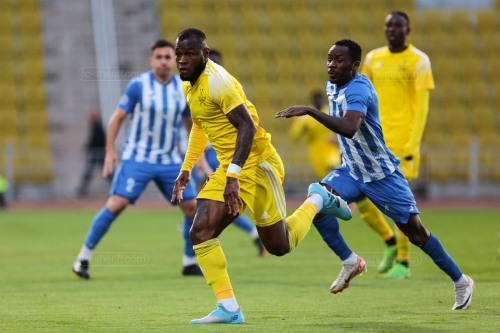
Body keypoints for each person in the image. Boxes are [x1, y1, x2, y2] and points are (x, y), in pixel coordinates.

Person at [276, 39, 474, 310]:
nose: (332, 65)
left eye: (339, 60)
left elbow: (348, 127)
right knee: (318, 202)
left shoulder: (359, 88)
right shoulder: (332, 84)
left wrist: (310, 111)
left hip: (381, 175)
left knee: (415, 233)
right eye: (329, 59)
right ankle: (350, 261)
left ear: (355, 65)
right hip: (351, 170)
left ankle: (462, 281)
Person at [172, 28, 351, 324]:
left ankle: (318, 199)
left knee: (201, 230)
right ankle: (317, 200)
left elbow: (248, 128)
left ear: (204, 55)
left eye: (189, 54)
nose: (182, 60)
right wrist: (187, 167)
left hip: (256, 163)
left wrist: (232, 175)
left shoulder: (218, 83)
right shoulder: (190, 84)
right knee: (277, 246)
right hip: (236, 167)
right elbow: (200, 124)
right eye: (179, 54)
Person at [72, 39, 201, 279]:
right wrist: (110, 150)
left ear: (174, 60)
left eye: (168, 57)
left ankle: (189, 261)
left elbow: (190, 123)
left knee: (191, 206)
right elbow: (117, 118)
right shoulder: (138, 86)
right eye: (159, 57)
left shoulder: (183, 88)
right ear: (151, 60)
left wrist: (197, 156)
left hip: (170, 160)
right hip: (137, 158)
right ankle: (83, 258)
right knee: (116, 204)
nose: (164, 61)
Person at [357, 11, 435, 279]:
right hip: (374, 139)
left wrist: (414, 144)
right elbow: (362, 93)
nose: (392, 29)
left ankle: (403, 262)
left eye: (398, 25)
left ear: (408, 29)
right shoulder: (373, 58)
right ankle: (389, 240)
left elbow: (422, 107)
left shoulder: (419, 61)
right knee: (360, 199)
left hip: (403, 142)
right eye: (388, 25)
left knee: (400, 204)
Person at [189, 48, 267, 257]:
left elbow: (246, 124)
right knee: (203, 205)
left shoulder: (220, 88)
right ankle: (194, 252)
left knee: (216, 205)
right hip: (216, 155)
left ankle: (253, 233)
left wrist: (203, 164)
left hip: (221, 157)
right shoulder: (198, 89)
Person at [289, 90, 341, 178]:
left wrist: (336, 139)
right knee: (324, 177)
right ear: (313, 101)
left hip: (331, 150)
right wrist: (303, 129)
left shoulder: (331, 112)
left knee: (333, 167)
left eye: (320, 100)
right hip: (316, 153)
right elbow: (294, 136)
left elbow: (341, 129)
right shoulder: (305, 117)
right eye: (317, 100)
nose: (319, 102)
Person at [76, 107, 109, 198]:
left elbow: (95, 139)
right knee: (101, 172)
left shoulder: (96, 125)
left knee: (101, 172)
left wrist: (87, 147)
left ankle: (82, 190)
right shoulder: (97, 125)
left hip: (97, 153)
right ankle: (82, 190)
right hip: (97, 153)